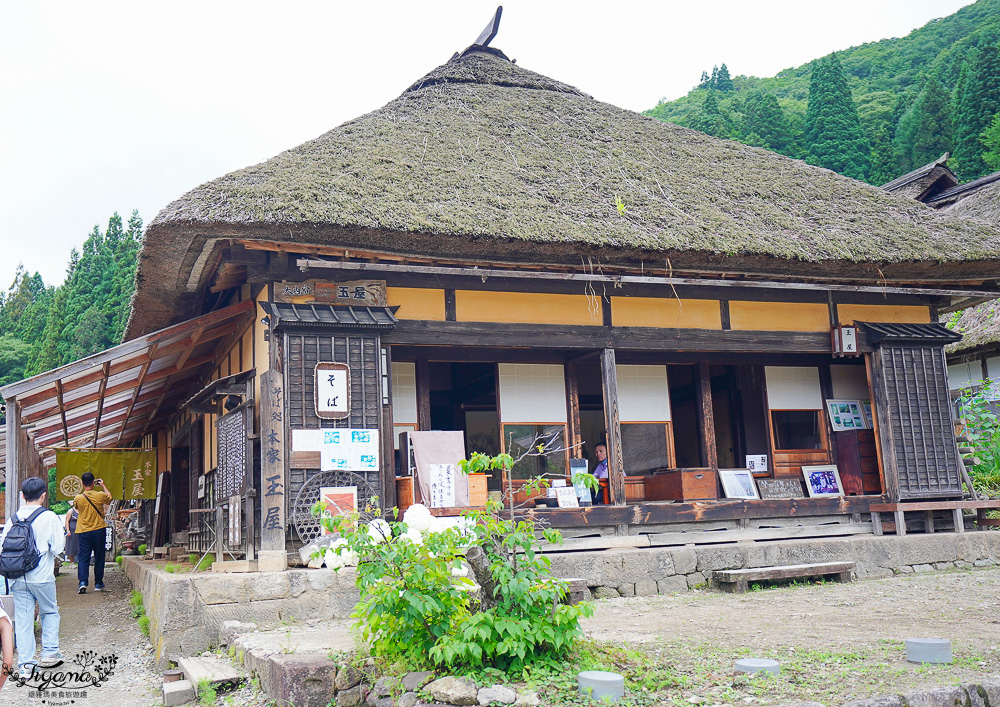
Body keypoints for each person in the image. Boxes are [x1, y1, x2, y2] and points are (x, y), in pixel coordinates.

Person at [0, 476, 64, 676]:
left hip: (17, 577)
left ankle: (27, 665)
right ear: (43, 496)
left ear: (22, 495)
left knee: (24, 618)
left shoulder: (13, 519)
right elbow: (59, 547)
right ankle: (50, 653)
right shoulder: (49, 517)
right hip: (42, 576)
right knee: (49, 611)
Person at [73, 472, 112, 594]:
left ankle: (83, 582)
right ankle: (98, 583)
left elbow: (77, 508)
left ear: (82, 483)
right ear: (93, 482)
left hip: (84, 530)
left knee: (83, 557)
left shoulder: (78, 498)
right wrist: (103, 486)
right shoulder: (100, 495)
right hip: (99, 529)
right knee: (99, 556)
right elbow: (109, 498)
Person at [63, 500, 79, 566]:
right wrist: (68, 530)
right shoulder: (71, 511)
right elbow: (67, 521)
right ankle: (71, 562)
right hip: (72, 531)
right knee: (71, 546)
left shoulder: (82, 511)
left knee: (80, 546)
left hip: (80, 530)